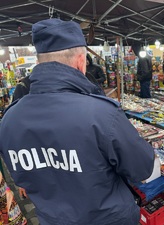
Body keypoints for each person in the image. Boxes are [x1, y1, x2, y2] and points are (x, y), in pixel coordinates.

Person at [0, 18, 154, 225]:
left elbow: (22, 177)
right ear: (81, 61)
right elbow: (142, 168)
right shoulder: (102, 114)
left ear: (39, 61)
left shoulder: (9, 120)